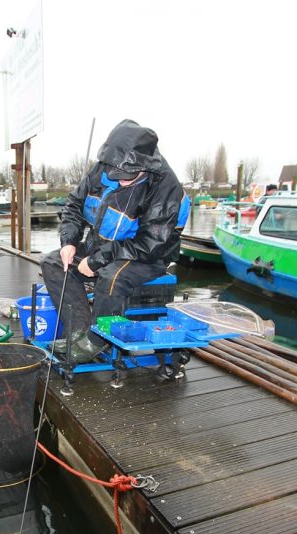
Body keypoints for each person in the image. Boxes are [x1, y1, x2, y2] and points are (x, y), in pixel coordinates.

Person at [40, 119, 190, 363]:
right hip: (103, 244)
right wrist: (69, 240)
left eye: (127, 177)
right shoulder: (102, 169)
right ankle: (79, 331)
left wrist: (98, 259)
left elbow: (151, 244)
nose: (119, 180)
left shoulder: (166, 187)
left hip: (148, 256)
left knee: (112, 277)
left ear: (145, 166)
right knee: (53, 262)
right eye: (115, 173)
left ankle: (97, 341)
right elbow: (74, 205)